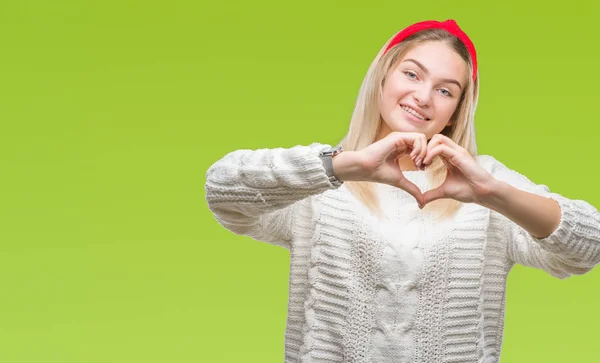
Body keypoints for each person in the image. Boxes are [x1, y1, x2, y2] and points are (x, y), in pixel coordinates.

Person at [204, 19, 600, 363]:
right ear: (383, 76)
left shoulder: (484, 184)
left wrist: (492, 193)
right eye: (412, 74)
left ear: (456, 113)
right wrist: (344, 165)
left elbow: (590, 244)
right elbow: (223, 190)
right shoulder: (323, 178)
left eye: (446, 91)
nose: (424, 97)